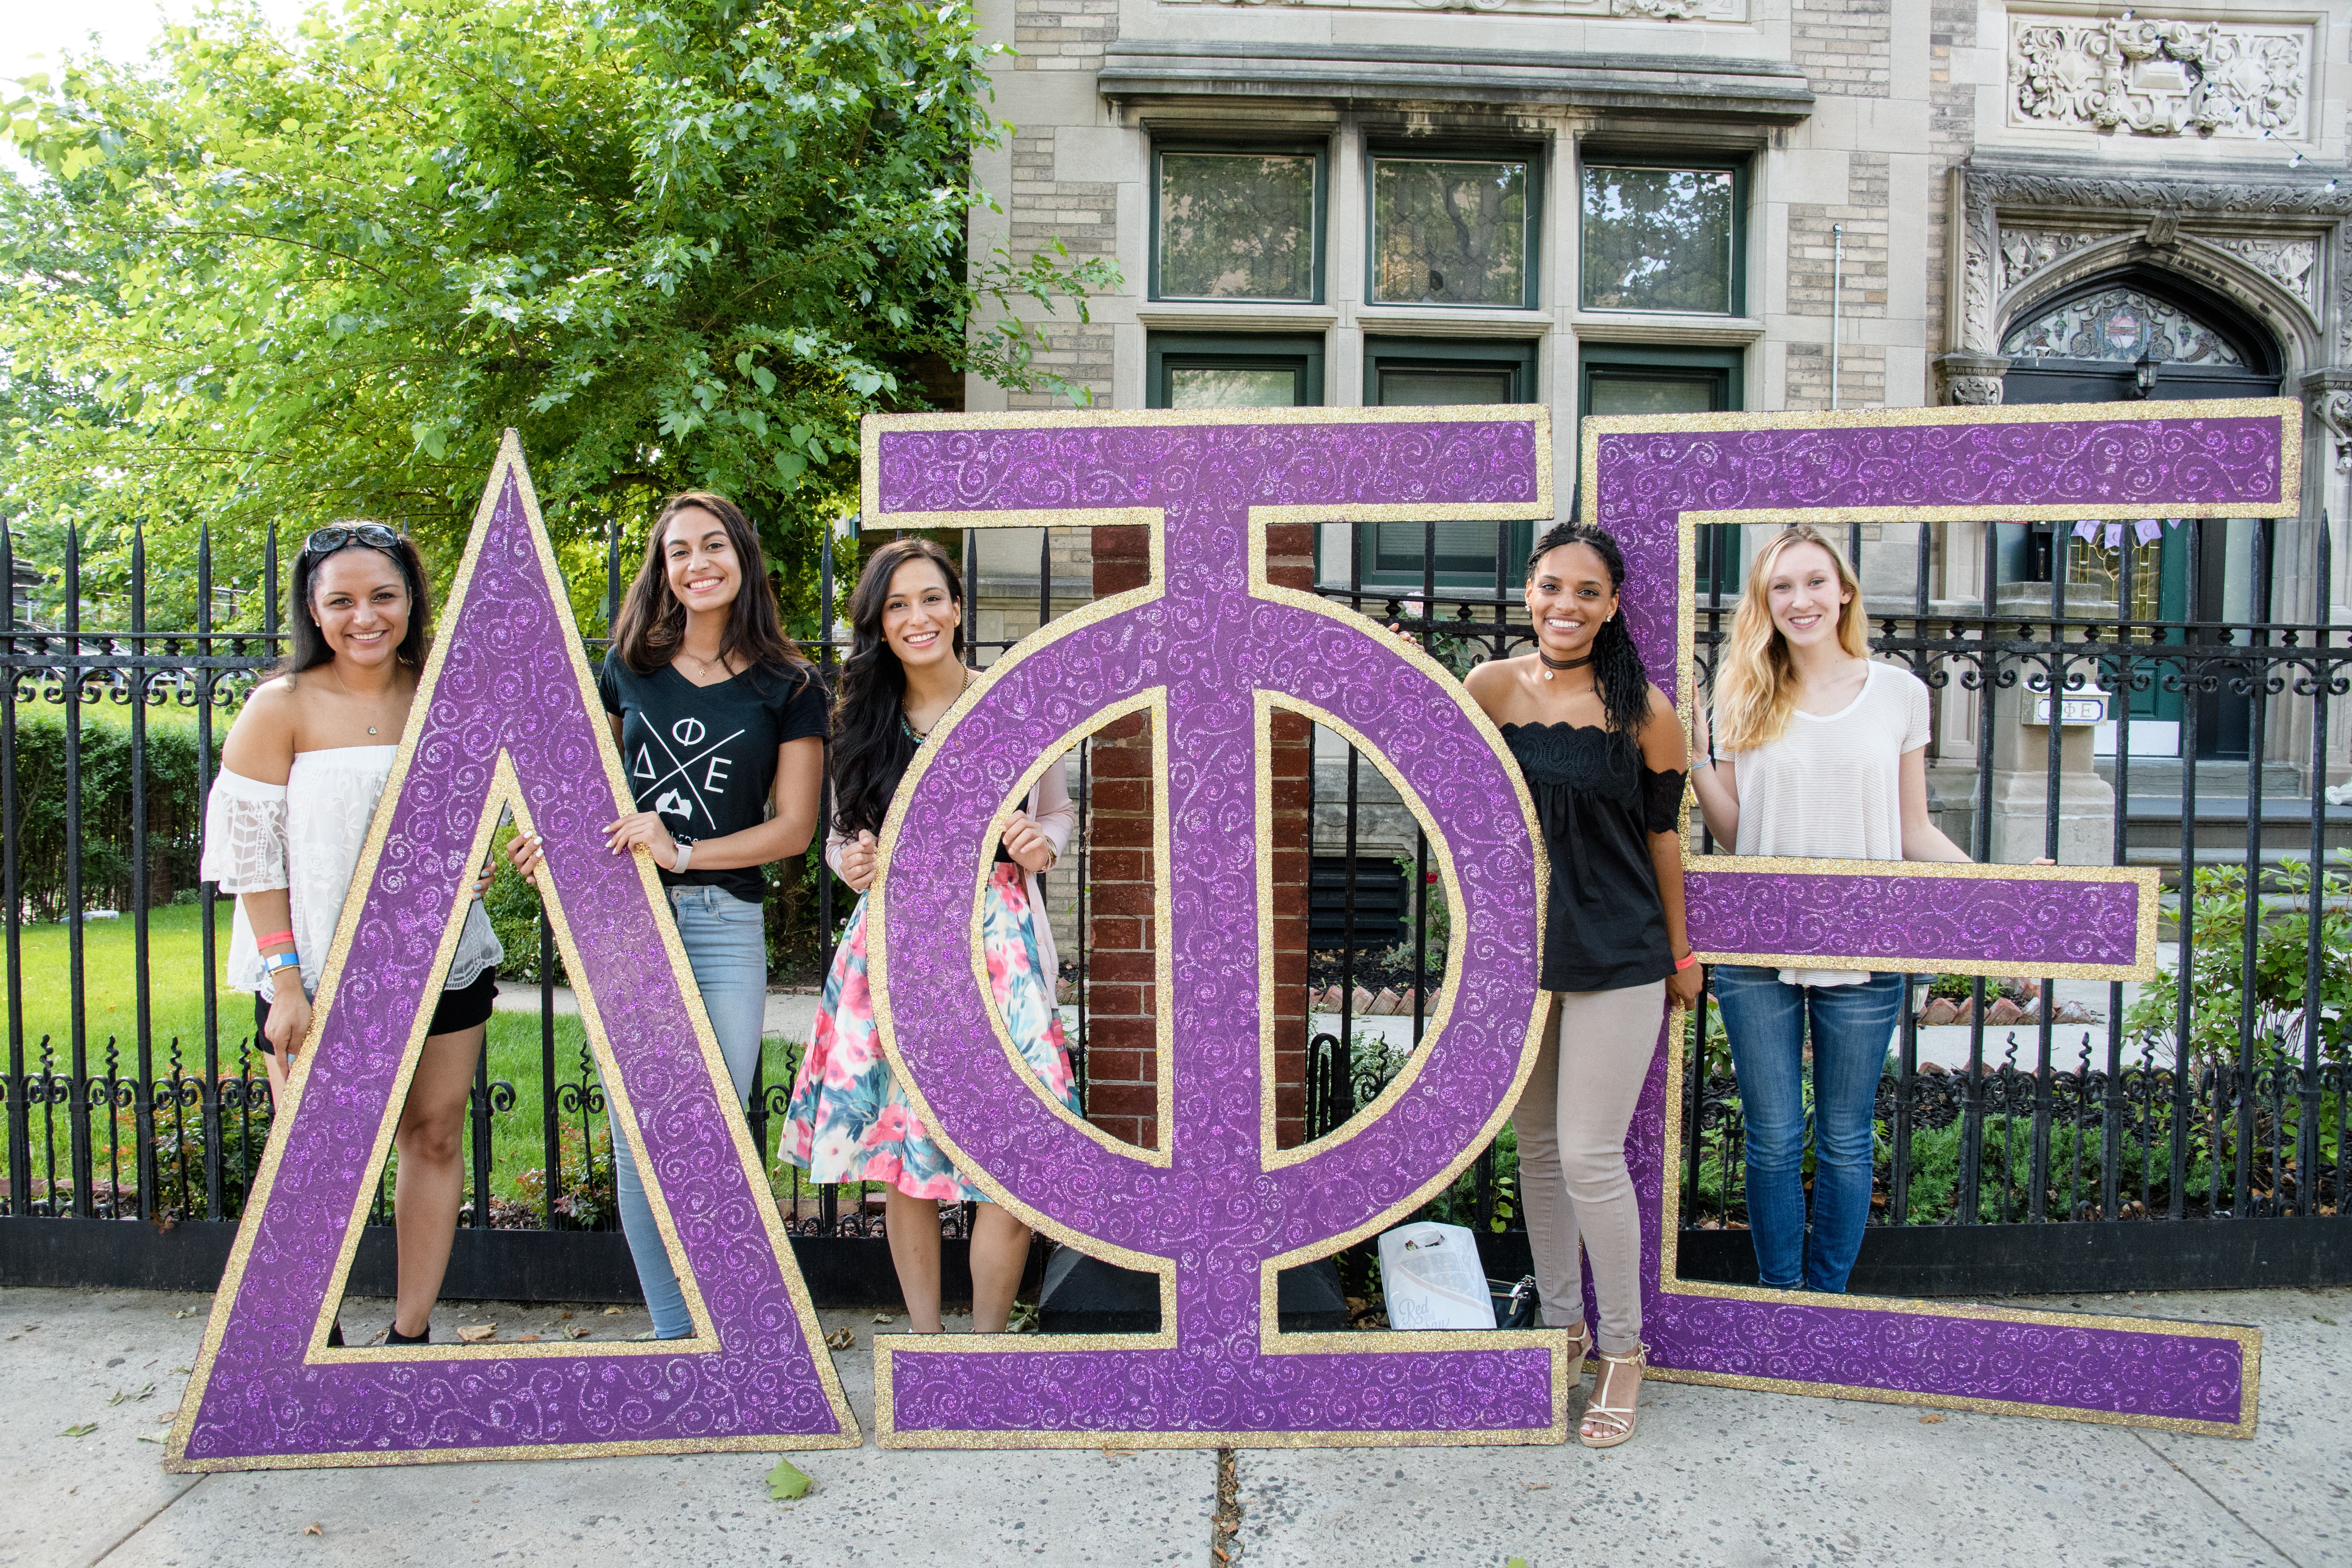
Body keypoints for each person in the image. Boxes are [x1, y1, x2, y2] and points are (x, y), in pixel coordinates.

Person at [508, 492, 827, 1339]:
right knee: (638, 1128)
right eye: (679, 550)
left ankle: (739, 1318)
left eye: (714, 544)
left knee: (719, 1120)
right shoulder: (626, 669)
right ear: (664, 569)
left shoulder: (790, 684)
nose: (698, 563)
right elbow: (578, 794)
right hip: (627, 922)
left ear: (743, 557)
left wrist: (683, 850)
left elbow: (792, 829)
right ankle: (677, 1333)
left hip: (724, 922)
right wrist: (552, 848)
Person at [200, 522, 504, 1347]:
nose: (365, 615)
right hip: (317, 970)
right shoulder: (281, 707)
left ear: (410, 599)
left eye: (383, 595)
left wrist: (475, 860)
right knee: (320, 1161)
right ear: (313, 608)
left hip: (444, 964)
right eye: (342, 599)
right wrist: (285, 980)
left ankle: (411, 1335)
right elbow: (250, 854)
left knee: (434, 1134)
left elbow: (478, 811)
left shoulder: (447, 693)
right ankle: (310, 1340)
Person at [778, 537, 1076, 1335]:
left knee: (1020, 1140)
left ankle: (984, 1351)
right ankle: (927, 1344)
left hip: (998, 943)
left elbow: (1056, 815)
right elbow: (841, 836)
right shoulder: (859, 719)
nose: (919, 617)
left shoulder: (1010, 705)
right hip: (894, 948)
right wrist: (855, 859)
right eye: (898, 604)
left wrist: (1041, 842)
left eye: (932, 599)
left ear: (957, 607)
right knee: (899, 1152)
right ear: (880, 621)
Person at [1462, 520, 1703, 1450]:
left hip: (1620, 952)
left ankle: (1624, 1350)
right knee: (1539, 1145)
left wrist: (1681, 955)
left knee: (1593, 1154)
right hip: (1521, 957)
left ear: (1611, 606)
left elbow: (1664, 839)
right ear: (1530, 592)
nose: (1565, 605)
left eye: (1586, 592)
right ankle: (1557, 1325)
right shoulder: (1487, 687)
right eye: (1551, 586)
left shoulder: (1645, 708)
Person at [1687, 524, 1973, 1296]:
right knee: (1774, 1140)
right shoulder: (1745, 689)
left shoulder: (1899, 693)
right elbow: (1736, 833)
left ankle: (1829, 1302)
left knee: (1846, 1139)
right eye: (1782, 587)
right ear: (1765, 601)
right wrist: (1694, 756)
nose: (1800, 600)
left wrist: (2005, 889)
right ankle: (1783, 1299)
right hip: (1758, 948)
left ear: (1844, 590)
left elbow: (1914, 830)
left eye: (1815, 582)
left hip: (1867, 942)